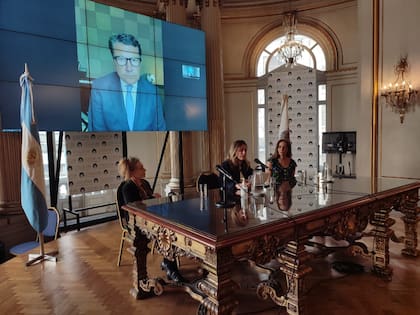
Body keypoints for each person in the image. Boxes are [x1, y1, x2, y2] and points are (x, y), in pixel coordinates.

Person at [117, 157, 186, 283]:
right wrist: (151, 200)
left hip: (150, 219)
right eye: (141, 168)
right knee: (164, 232)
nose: (144, 169)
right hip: (136, 223)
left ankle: (168, 263)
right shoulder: (127, 187)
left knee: (171, 229)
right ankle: (169, 266)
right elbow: (134, 208)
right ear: (132, 172)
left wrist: (154, 198)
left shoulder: (145, 183)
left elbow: (149, 201)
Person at [88, 33, 166, 131]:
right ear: (114, 62)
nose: (129, 68)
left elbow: (160, 131)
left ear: (140, 62)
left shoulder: (152, 91)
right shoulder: (100, 88)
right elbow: (96, 133)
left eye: (134, 60)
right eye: (121, 59)